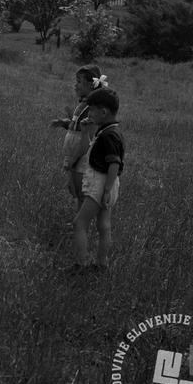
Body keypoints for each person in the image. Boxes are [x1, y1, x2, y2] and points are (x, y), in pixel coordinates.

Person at [69, 88, 125, 274]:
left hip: (101, 184)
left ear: (104, 112)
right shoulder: (108, 131)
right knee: (103, 226)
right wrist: (86, 132)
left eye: (92, 110)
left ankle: (81, 264)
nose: (89, 113)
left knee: (80, 223)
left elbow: (114, 164)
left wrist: (106, 190)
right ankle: (101, 264)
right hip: (107, 184)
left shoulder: (109, 135)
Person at [50, 65, 108, 209]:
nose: (75, 85)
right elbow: (76, 125)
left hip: (81, 156)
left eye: (78, 82)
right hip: (73, 155)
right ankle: (79, 219)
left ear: (90, 84)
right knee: (73, 189)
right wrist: (64, 123)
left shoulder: (92, 109)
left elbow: (87, 135)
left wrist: (74, 159)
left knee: (80, 190)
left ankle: (81, 220)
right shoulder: (83, 104)